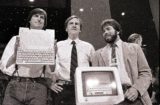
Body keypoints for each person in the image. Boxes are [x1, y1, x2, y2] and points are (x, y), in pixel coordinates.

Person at [91, 19, 152, 105]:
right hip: (110, 98)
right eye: (103, 31)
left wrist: (136, 89)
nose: (105, 32)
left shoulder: (135, 48)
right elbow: (96, 80)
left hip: (134, 96)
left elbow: (146, 73)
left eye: (108, 29)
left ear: (118, 31)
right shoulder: (97, 55)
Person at [1, 8, 53, 105]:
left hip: (38, 86)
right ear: (29, 20)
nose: (39, 19)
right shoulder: (16, 39)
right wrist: (15, 55)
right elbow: (5, 66)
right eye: (36, 16)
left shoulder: (49, 42)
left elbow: (51, 71)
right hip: (15, 84)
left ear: (44, 23)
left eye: (42, 17)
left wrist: (52, 56)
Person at [50, 15, 95, 105]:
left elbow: (95, 67)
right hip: (62, 88)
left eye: (77, 24)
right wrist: (50, 83)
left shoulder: (88, 47)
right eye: (71, 23)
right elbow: (49, 66)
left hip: (83, 88)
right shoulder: (58, 45)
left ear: (80, 29)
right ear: (66, 29)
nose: (74, 25)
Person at [128, 33, 153, 98]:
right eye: (141, 42)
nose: (141, 44)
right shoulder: (142, 50)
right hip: (142, 79)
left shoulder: (125, 49)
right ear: (138, 41)